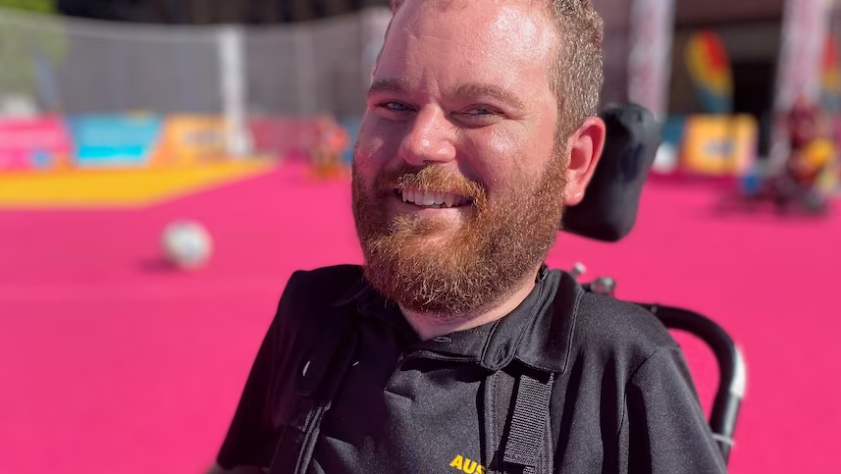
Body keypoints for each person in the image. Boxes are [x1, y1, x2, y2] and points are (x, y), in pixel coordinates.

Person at [209, 0, 728, 473]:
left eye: (479, 110)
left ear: (574, 162)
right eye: (393, 104)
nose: (418, 144)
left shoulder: (622, 373)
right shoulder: (312, 312)